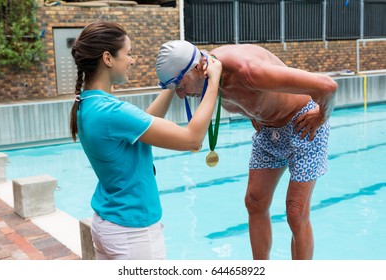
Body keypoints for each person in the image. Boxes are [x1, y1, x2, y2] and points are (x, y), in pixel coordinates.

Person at [156, 41, 338, 260]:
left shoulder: (247, 71)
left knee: (296, 212)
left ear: (196, 68)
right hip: (269, 132)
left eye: (180, 85)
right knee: (254, 201)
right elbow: (249, 98)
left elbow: (328, 86)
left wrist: (320, 117)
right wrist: (254, 114)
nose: (181, 95)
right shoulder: (210, 75)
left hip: (303, 126)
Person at [69, 22, 222, 260]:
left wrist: (174, 81)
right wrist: (213, 81)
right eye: (128, 54)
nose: (132, 61)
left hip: (109, 221)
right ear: (108, 58)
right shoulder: (110, 112)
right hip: (133, 232)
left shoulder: (88, 103)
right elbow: (192, 139)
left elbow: (145, 123)